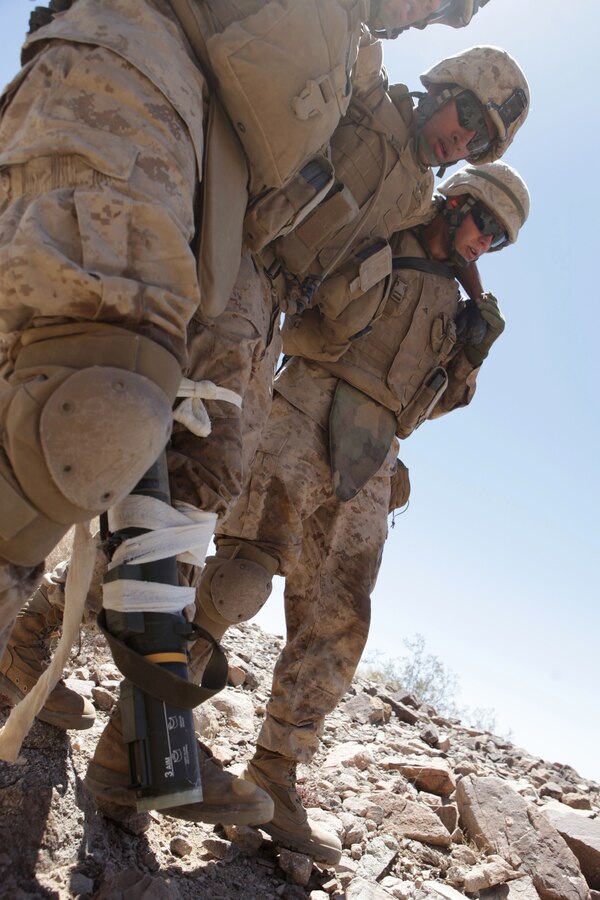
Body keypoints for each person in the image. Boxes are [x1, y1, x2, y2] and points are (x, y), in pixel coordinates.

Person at [0, 0, 465, 820]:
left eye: (483, 140)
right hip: (199, 186)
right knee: (86, 427)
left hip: (265, 294)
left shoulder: (405, 185)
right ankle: (34, 657)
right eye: (469, 118)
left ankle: (147, 746)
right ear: (443, 91)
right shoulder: (365, 92)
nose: (465, 141)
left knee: (186, 495)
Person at [194, 160, 531, 863]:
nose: (486, 242)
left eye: (500, 239)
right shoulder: (383, 227)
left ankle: (275, 771)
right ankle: (149, 722)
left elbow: (433, 402)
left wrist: (471, 354)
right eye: (484, 223)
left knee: (339, 617)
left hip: (373, 454)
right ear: (455, 203)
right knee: (240, 573)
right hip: (304, 406)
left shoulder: (461, 305)